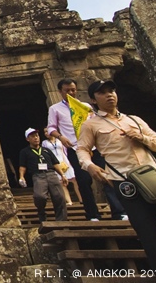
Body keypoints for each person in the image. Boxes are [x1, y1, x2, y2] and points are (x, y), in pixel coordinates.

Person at [77, 80, 156, 276]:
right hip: (124, 179)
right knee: (148, 230)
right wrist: (90, 166)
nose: (110, 95)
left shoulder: (134, 120)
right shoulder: (91, 125)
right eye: (103, 93)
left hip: (152, 174)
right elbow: (82, 149)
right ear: (93, 99)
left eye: (112, 91)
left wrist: (141, 137)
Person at [47, 78, 127, 221]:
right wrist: (61, 137)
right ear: (60, 92)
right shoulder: (55, 109)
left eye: (73, 89)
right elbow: (51, 127)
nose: (71, 92)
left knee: (107, 177)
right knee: (83, 182)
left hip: (94, 147)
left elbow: (96, 122)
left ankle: (118, 211)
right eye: (67, 90)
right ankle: (92, 214)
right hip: (75, 148)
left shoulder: (85, 106)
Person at [19, 127, 68, 222]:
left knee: (59, 197)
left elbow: (55, 164)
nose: (36, 138)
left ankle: (61, 220)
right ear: (27, 139)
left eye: (37, 136)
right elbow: (22, 166)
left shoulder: (46, 150)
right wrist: (21, 177)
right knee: (39, 196)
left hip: (51, 174)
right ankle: (41, 212)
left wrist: (62, 175)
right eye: (32, 136)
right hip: (38, 175)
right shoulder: (25, 152)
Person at [42, 128, 80, 205]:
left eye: (47, 131)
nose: (46, 133)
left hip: (64, 161)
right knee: (62, 183)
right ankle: (69, 201)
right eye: (44, 132)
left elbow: (64, 151)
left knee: (74, 180)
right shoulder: (44, 143)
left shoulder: (59, 140)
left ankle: (81, 199)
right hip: (55, 163)